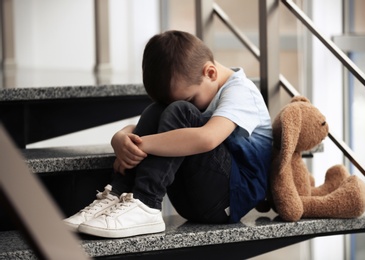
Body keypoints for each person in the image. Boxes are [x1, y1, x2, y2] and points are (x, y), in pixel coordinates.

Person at [64, 30, 273, 238]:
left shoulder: (241, 91)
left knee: (179, 111)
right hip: (192, 197)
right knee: (161, 109)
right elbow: (155, 126)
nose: (189, 103)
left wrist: (141, 144)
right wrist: (121, 137)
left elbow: (208, 138)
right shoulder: (203, 86)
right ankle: (119, 194)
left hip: (230, 198)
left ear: (210, 73)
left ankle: (146, 202)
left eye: (191, 98)